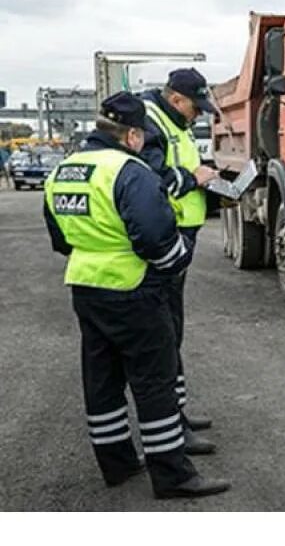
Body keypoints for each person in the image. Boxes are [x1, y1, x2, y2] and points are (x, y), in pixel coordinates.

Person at [43, 92, 230, 499]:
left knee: (102, 380)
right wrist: (176, 262)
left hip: (86, 288)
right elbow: (155, 237)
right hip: (134, 290)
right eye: (141, 136)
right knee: (154, 383)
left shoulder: (64, 171)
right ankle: (173, 475)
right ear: (130, 135)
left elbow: (60, 239)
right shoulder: (130, 172)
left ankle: (118, 464)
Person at [139, 68, 219, 455]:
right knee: (165, 333)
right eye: (195, 107)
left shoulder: (174, 121)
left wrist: (215, 187)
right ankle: (171, 427)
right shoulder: (150, 122)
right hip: (166, 239)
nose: (199, 115)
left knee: (174, 329)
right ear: (175, 99)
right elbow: (154, 178)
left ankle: (177, 413)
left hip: (182, 234)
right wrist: (195, 179)